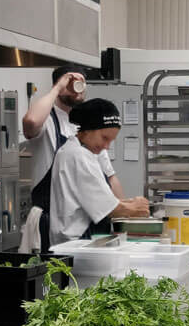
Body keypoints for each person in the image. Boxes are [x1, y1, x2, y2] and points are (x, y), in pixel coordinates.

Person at [22, 64, 125, 250]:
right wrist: (58, 87)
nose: (78, 88)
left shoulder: (88, 125)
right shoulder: (48, 121)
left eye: (82, 83)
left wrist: (121, 220)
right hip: (53, 223)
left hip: (86, 225)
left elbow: (109, 176)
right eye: (71, 82)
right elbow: (31, 121)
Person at [49, 98, 149, 245]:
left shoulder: (72, 151)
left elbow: (95, 201)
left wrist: (128, 203)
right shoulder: (79, 156)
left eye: (111, 141)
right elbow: (109, 208)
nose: (107, 146)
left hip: (75, 241)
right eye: (104, 138)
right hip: (78, 242)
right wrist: (134, 207)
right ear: (88, 129)